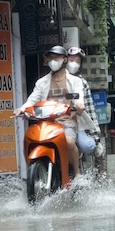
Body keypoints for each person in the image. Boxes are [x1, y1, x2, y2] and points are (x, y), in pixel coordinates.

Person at [13, 46, 86, 177]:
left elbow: (78, 96)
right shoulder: (42, 83)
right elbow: (32, 100)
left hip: (67, 121)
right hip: (46, 123)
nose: (53, 61)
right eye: (51, 58)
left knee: (69, 141)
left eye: (56, 58)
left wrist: (79, 104)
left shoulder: (75, 81)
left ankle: (77, 172)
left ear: (64, 59)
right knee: (31, 138)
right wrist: (22, 109)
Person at [66, 46, 104, 158]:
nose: (74, 63)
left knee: (87, 145)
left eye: (77, 61)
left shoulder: (82, 82)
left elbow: (89, 108)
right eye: (71, 60)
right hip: (57, 120)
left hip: (76, 122)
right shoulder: (55, 79)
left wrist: (95, 135)